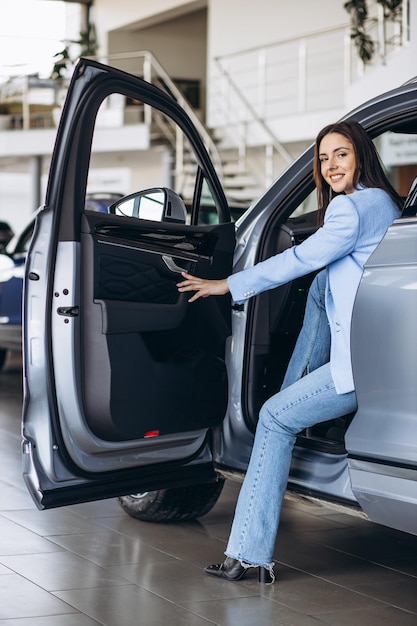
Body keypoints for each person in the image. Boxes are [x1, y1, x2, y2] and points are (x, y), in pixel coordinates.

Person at [177, 120, 403, 584]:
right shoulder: (385, 203)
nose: (331, 165)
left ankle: (250, 555)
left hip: (359, 367)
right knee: (322, 285)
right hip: (382, 355)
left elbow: (297, 259)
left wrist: (226, 284)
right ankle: (294, 395)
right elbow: (321, 273)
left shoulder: (348, 210)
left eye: (340, 154)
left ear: (360, 154)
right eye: (323, 159)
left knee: (275, 419)